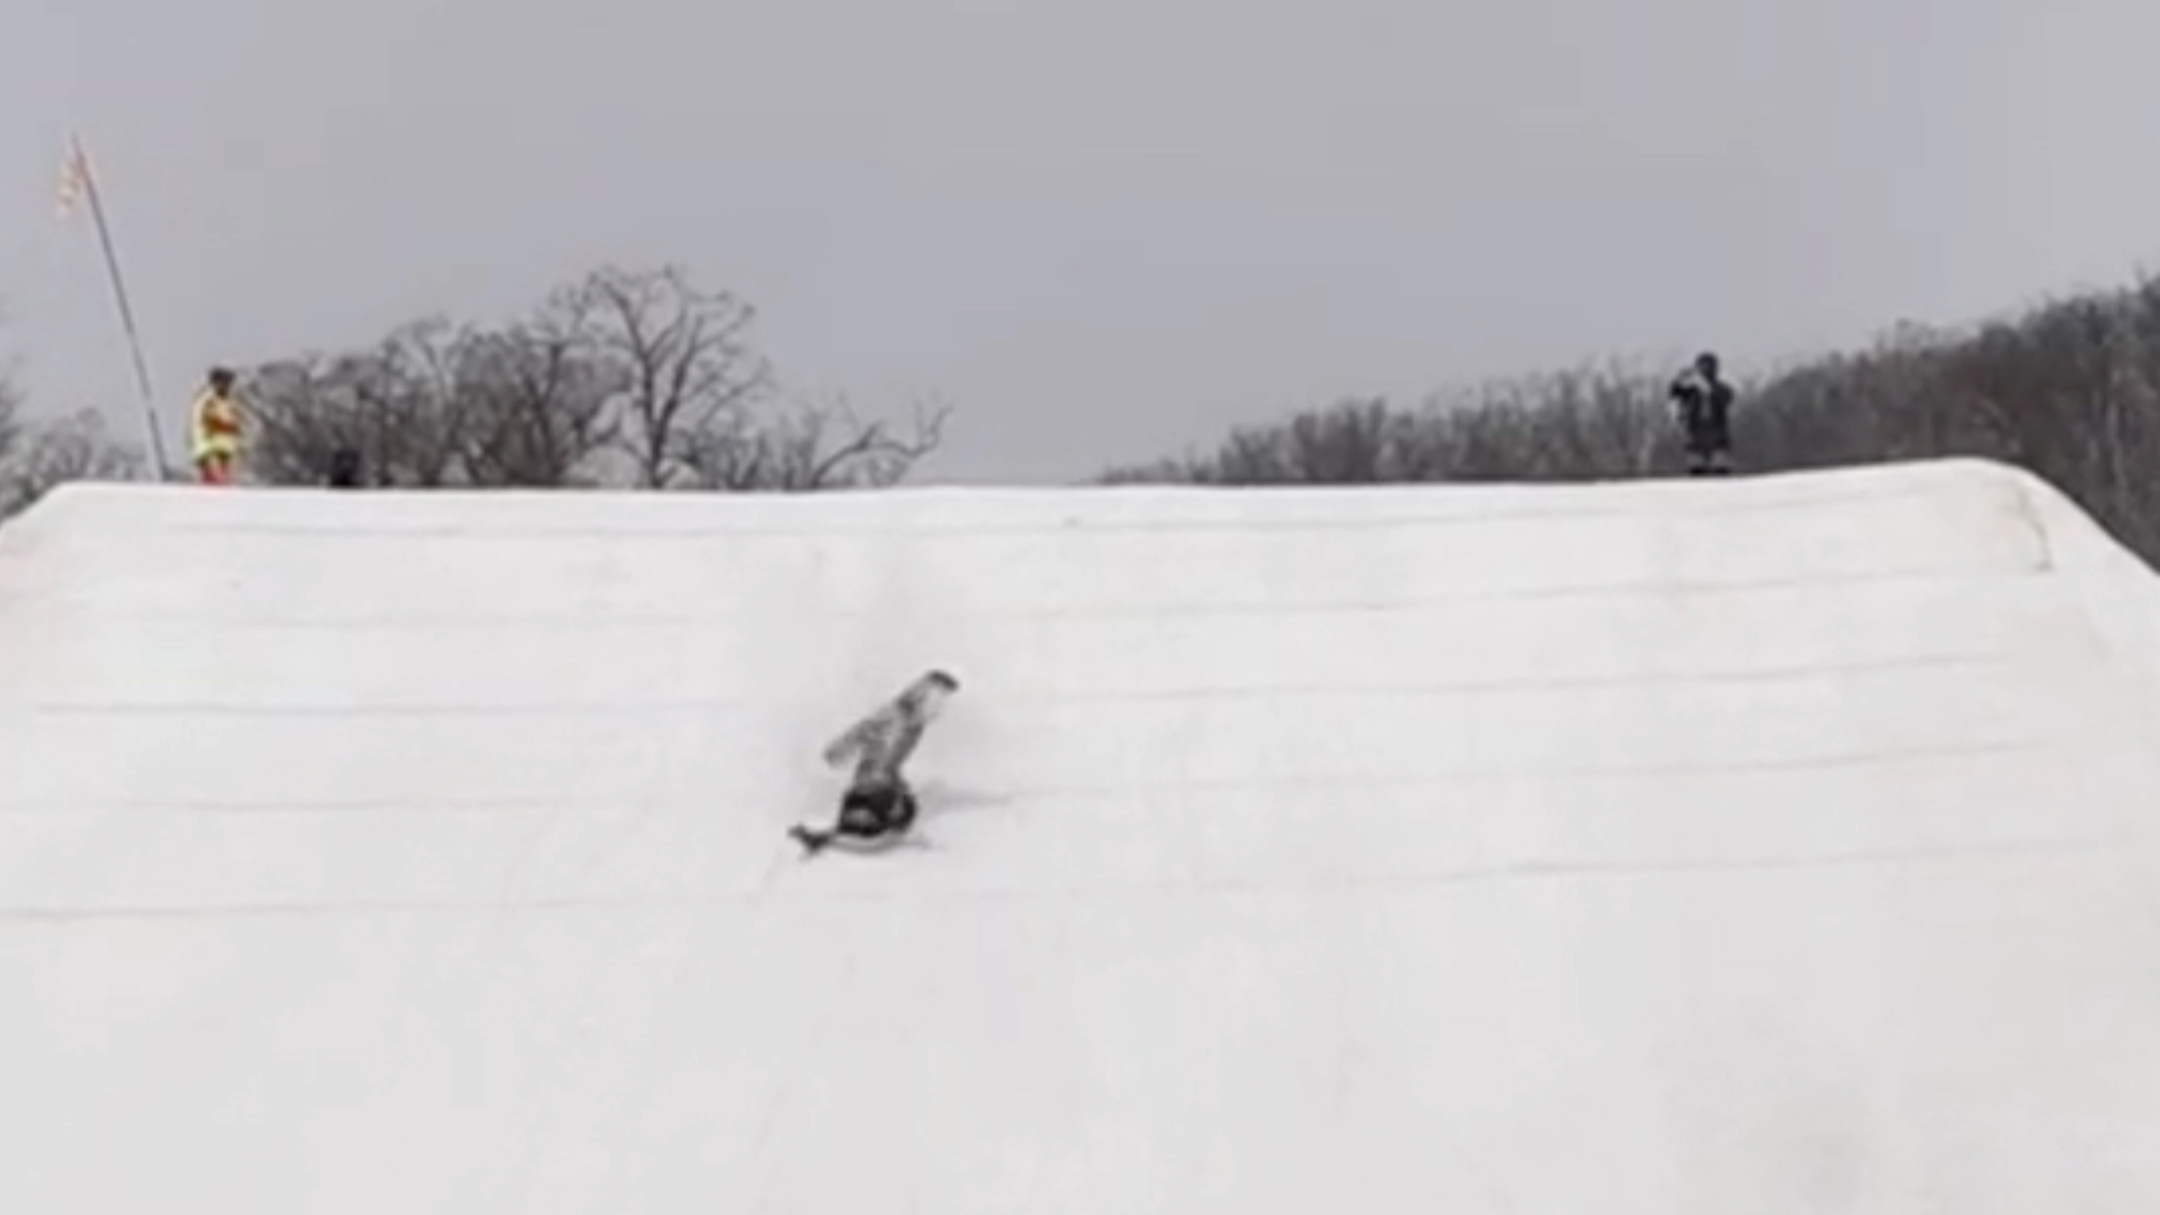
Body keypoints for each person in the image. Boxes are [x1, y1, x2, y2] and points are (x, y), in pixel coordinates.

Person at [791, 669, 960, 855]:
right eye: (937, 702)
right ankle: (859, 821)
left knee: (907, 807)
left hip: (882, 784)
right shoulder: (896, 715)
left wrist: (898, 784)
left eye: (943, 703)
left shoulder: (914, 725)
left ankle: (867, 821)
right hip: (870, 785)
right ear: (923, 697)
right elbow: (864, 729)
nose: (939, 710)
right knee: (884, 809)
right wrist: (837, 751)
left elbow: (891, 761)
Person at [1668, 351, 1736, 475]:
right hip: (1695, 430)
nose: (1705, 370)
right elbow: (1674, 394)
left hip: (1717, 432)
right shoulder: (1692, 390)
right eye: (1702, 367)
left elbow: (1726, 398)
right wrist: (1680, 380)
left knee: (1720, 467)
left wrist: (1707, 388)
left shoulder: (1722, 388)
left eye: (1707, 367)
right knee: (1697, 468)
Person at [190, 367, 244, 485]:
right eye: (223, 382)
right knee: (212, 483)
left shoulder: (230, 401)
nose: (226, 386)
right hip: (209, 448)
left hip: (226, 448)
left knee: (224, 483)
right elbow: (207, 421)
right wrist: (226, 426)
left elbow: (236, 422)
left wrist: (236, 430)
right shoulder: (207, 400)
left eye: (229, 383)